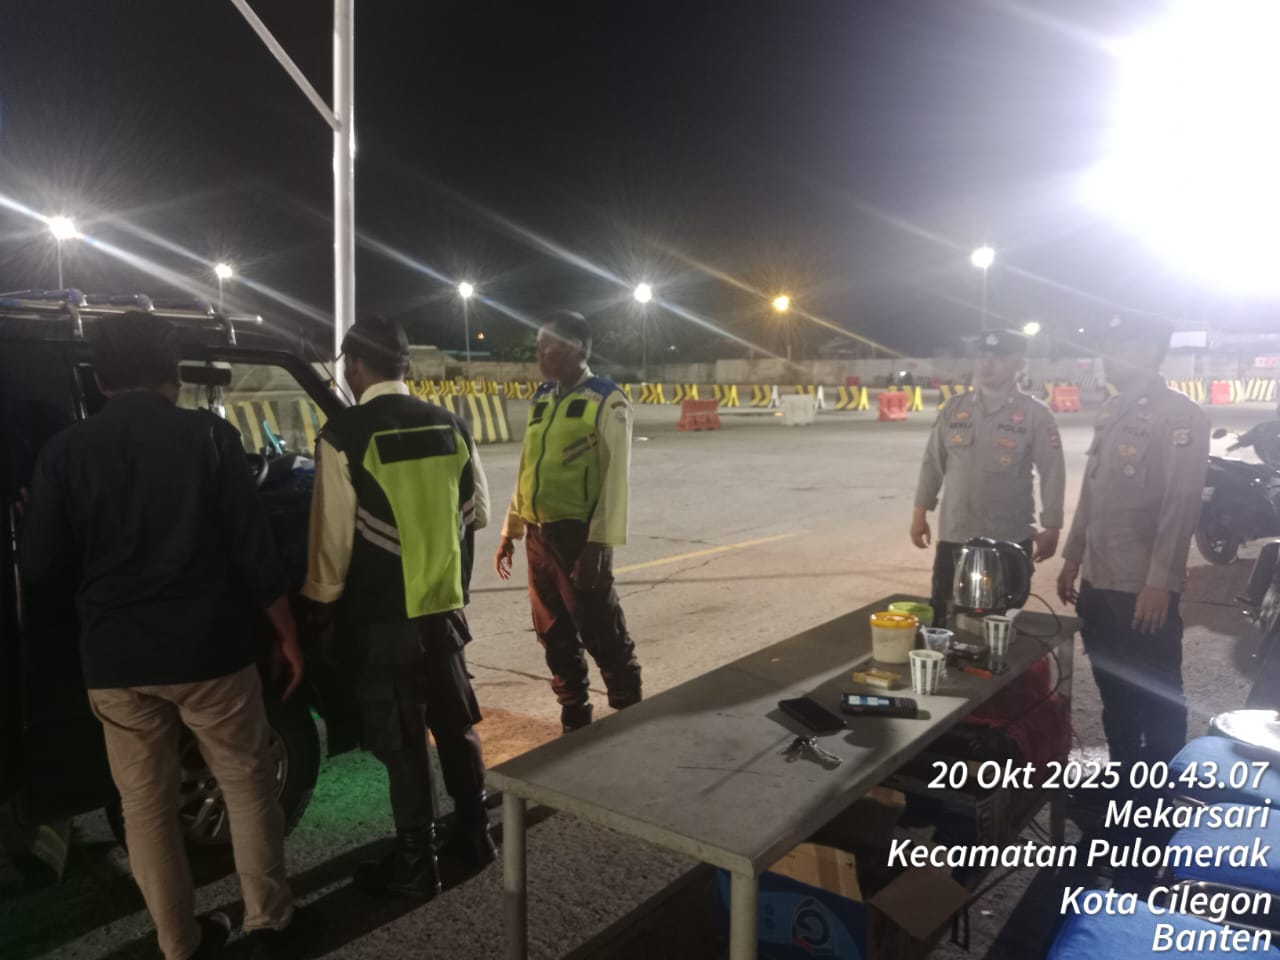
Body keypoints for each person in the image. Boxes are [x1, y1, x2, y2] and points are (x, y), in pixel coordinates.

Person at [19, 311, 301, 960]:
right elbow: (255, 550)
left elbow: (38, 567)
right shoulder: (211, 437)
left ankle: (180, 945)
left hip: (116, 661)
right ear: (172, 373)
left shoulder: (64, 452)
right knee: (246, 782)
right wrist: (286, 634)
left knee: (144, 808)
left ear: (101, 379)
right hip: (211, 652)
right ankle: (269, 921)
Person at [302, 316, 495, 899]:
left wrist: (319, 612)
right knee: (455, 726)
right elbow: (479, 511)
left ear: (356, 364)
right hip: (445, 613)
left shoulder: (344, 434)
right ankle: (476, 835)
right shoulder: (451, 424)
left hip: (383, 619)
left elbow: (331, 545)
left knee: (404, 741)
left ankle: (418, 863)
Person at [1058, 314, 1210, 773]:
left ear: (1149, 352)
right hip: (1099, 578)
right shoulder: (1111, 410)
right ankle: (1125, 773)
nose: (1107, 358)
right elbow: (1092, 491)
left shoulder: (1180, 415)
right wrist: (1072, 556)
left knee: (1158, 691)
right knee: (1112, 687)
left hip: (1141, 585)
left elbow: (1180, 504)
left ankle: (1161, 786)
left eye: (1119, 348)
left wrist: (1160, 582)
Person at [494, 312, 642, 732]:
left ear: (576, 347)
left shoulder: (607, 399)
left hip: (579, 537)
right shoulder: (542, 398)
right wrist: (511, 530)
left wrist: (599, 543)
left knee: (601, 630)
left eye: (549, 345)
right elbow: (528, 467)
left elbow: (615, 478)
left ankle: (631, 715)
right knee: (553, 633)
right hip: (538, 537)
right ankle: (575, 717)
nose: (540, 353)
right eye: (538, 346)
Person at [912, 328, 1066, 625]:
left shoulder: (1035, 415)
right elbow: (932, 463)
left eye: (999, 356)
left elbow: (1053, 472)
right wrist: (920, 513)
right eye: (983, 355)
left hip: (1007, 540)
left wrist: (1052, 526)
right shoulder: (954, 408)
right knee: (944, 620)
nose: (988, 363)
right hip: (955, 536)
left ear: (1019, 361)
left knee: (999, 626)